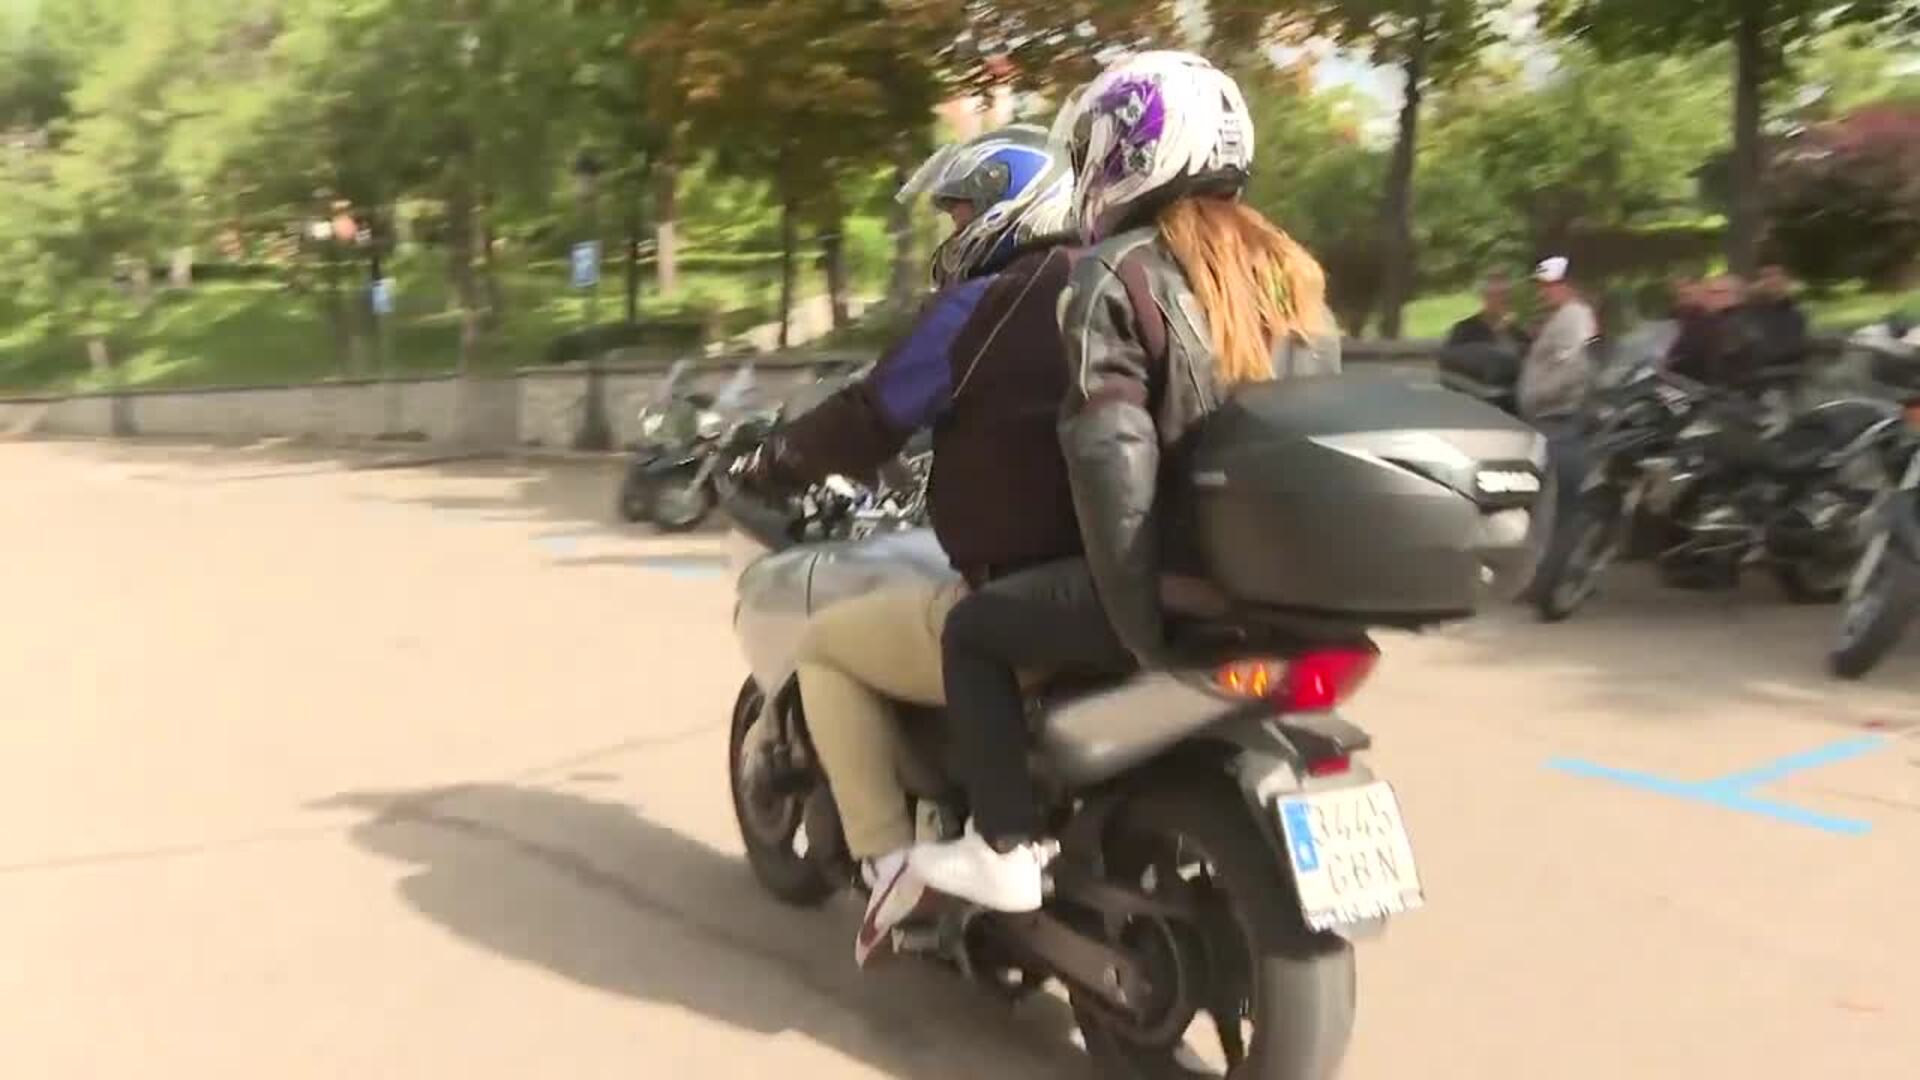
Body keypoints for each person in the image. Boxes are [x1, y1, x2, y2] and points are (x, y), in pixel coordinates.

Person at [908, 50, 1341, 913]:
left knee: (974, 631)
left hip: (1179, 581)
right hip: (1271, 586)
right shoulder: (1293, 272)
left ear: (1134, 148)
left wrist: (1140, 629)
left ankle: (1004, 844)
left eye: (1095, 149)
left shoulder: (1120, 270)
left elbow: (1111, 460)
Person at [735, 125, 1086, 965]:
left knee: (825, 647)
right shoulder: (1110, 284)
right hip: (1123, 585)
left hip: (1030, 597)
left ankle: (891, 863)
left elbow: (873, 413)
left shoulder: (986, 304)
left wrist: (777, 460)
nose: (953, 228)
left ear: (1011, 205)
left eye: (960, 210)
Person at [1516, 256, 1599, 583]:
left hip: (1559, 420)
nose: (1543, 292)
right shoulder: (1564, 317)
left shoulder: (1575, 317)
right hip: (1551, 419)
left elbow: (1576, 367)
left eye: (1549, 285)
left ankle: (1548, 576)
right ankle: (1545, 575)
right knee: (1548, 506)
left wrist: (1538, 395)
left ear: (1566, 285)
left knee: (1553, 507)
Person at [1667, 273, 1758, 386]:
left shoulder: (1733, 324)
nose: (1706, 297)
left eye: (1715, 292)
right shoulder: (1711, 320)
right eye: (1707, 292)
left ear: (1736, 296)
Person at [1747, 263, 1810, 375]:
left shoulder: (1796, 314)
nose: (1774, 281)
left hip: (1794, 374)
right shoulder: (1748, 315)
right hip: (1760, 377)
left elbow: (1801, 346)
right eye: (1767, 276)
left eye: (1779, 275)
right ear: (1755, 284)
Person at [1446, 272, 1529, 353]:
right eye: (1496, 295)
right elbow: (1449, 355)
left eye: (1506, 294)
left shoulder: (1516, 334)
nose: (1503, 299)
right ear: (1484, 297)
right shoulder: (1465, 330)